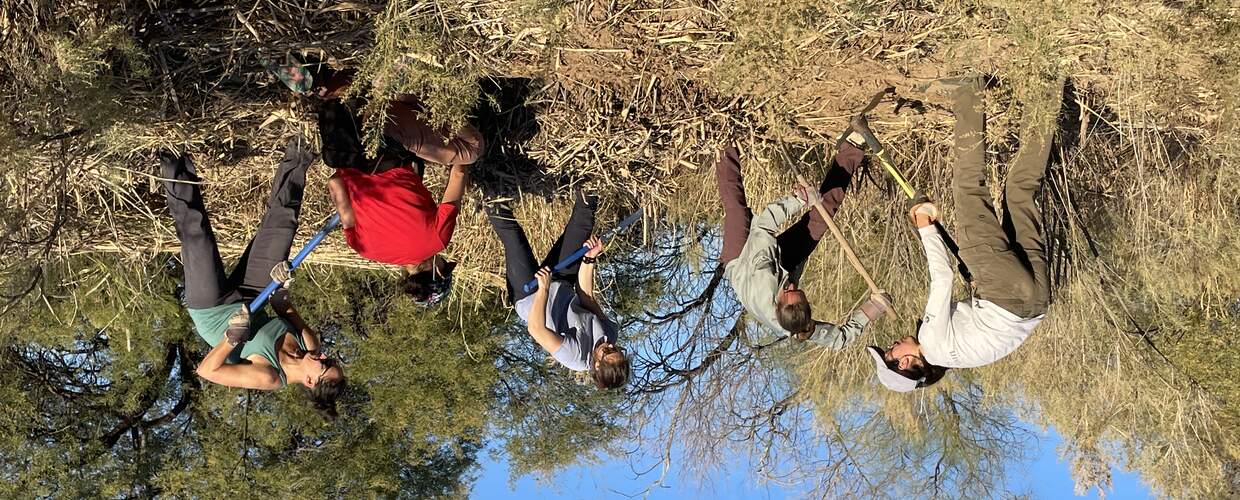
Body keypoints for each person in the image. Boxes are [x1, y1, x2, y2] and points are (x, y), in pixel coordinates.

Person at [869, 77, 1063, 392]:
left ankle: (1048, 84)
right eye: (888, 353)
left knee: (1021, 191)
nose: (889, 345)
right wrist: (924, 225)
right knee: (968, 188)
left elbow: (989, 325)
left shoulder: (955, 354)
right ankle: (970, 91)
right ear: (904, 364)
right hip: (1004, 293)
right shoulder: (931, 342)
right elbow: (942, 277)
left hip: (1036, 302)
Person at [160, 137, 346, 420]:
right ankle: (302, 144)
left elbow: (207, 371)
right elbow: (283, 306)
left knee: (198, 238)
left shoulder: (270, 377)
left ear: (310, 382)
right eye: (329, 359)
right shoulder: (310, 344)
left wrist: (232, 339)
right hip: (252, 297)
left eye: (323, 365)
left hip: (214, 313)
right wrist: (282, 285)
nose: (323, 357)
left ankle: (171, 155)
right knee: (282, 226)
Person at [285, 65, 485, 306]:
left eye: (445, 264)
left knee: (471, 151)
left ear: (438, 272)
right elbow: (335, 183)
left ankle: (396, 83)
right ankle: (302, 76)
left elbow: (458, 173)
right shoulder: (365, 250)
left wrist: (452, 161)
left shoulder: (437, 240)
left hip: (385, 138)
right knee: (335, 87)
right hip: (340, 146)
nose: (444, 258)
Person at [715, 136, 892, 349]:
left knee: (737, 209)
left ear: (778, 303)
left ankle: (725, 141)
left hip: (741, 262)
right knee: (821, 219)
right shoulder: (802, 326)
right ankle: (852, 149)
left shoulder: (762, 280)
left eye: (788, 291)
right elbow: (839, 339)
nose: (792, 285)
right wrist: (875, 307)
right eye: (798, 291)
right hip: (781, 266)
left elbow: (762, 226)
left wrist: (799, 200)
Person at [487, 191, 630, 389]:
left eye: (607, 352)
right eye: (617, 349)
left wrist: (543, 289)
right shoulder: (610, 334)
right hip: (561, 282)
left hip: (529, 295)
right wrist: (589, 258)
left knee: (513, 235)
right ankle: (590, 181)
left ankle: (487, 190)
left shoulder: (574, 356)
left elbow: (536, 329)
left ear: (597, 365)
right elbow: (586, 298)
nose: (610, 346)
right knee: (583, 222)